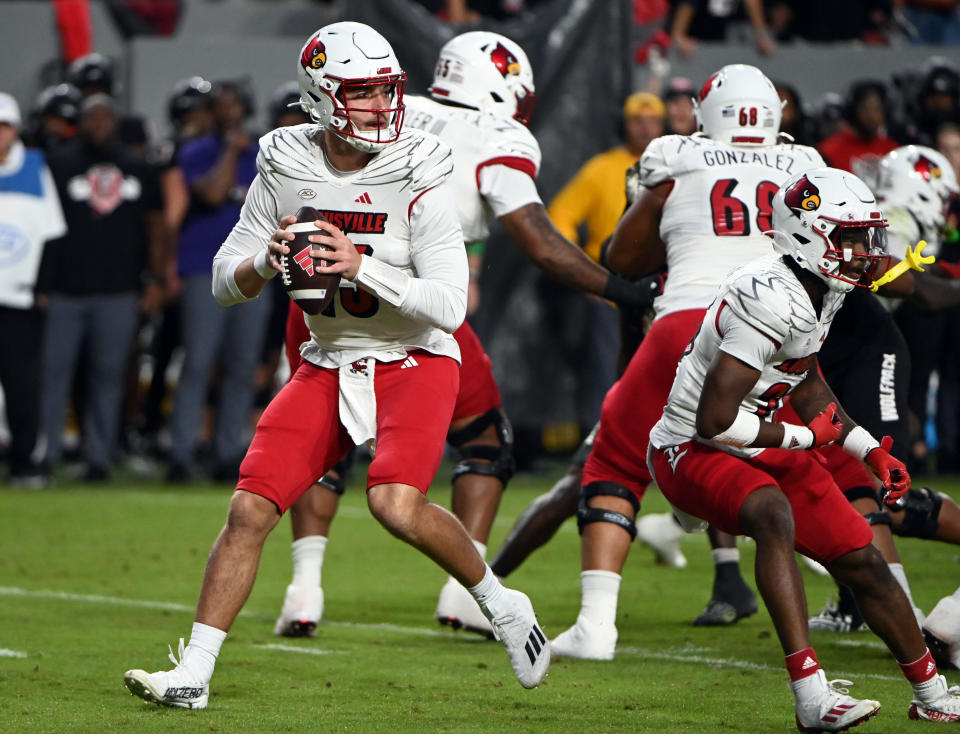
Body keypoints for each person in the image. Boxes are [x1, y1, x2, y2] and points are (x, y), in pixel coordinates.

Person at [123, 22, 550, 709]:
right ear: (320, 99)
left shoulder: (420, 163)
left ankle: (501, 602)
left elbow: (446, 306)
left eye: (387, 91)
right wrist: (266, 260)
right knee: (248, 509)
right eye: (363, 94)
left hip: (415, 356)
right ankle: (194, 674)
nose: (383, 107)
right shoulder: (286, 161)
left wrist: (361, 263)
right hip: (330, 357)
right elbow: (222, 281)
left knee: (393, 503)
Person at [272, 30, 662, 640]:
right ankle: (463, 593)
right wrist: (624, 290)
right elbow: (539, 240)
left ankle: (303, 591)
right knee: (485, 441)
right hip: (404, 310)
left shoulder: (385, 111)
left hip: (319, 297)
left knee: (325, 446)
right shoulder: (496, 135)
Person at [648, 165, 960, 730]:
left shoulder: (821, 287)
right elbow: (714, 421)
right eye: (851, 238)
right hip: (690, 448)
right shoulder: (768, 295)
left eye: (868, 237)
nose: (866, 252)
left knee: (864, 559)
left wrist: (867, 449)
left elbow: (806, 379)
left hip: (764, 439)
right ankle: (811, 695)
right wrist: (804, 439)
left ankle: (932, 693)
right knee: (772, 512)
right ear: (806, 235)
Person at [542, 64, 825, 660]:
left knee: (615, 462)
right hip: (787, 326)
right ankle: (902, 617)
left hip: (694, 315)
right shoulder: (807, 166)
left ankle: (597, 625)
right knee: (828, 468)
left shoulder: (678, 157)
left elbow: (623, 257)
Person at [39, 94, 165, 481]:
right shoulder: (59, 164)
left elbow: (156, 227)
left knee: (109, 376)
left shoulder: (138, 167)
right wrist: (41, 283)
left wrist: (157, 279)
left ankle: (99, 457)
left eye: (104, 116)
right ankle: (44, 454)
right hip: (64, 288)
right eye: (91, 117)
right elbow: (43, 226)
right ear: (81, 121)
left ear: (115, 121)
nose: (98, 123)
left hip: (119, 289)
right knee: (53, 374)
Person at [165, 79, 269, 482]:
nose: (228, 112)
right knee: (198, 362)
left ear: (245, 108)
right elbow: (211, 193)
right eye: (220, 106)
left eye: (234, 105)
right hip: (204, 270)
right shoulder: (196, 151)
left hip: (255, 269)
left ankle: (228, 452)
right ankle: (181, 453)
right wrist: (230, 149)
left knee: (242, 366)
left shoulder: (265, 153)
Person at [0, 92, 66, 487]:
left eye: (3, 126)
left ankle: (24, 463)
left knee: (22, 385)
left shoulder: (36, 168)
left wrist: (43, 287)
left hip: (20, 298)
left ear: (16, 129)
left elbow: (53, 234)